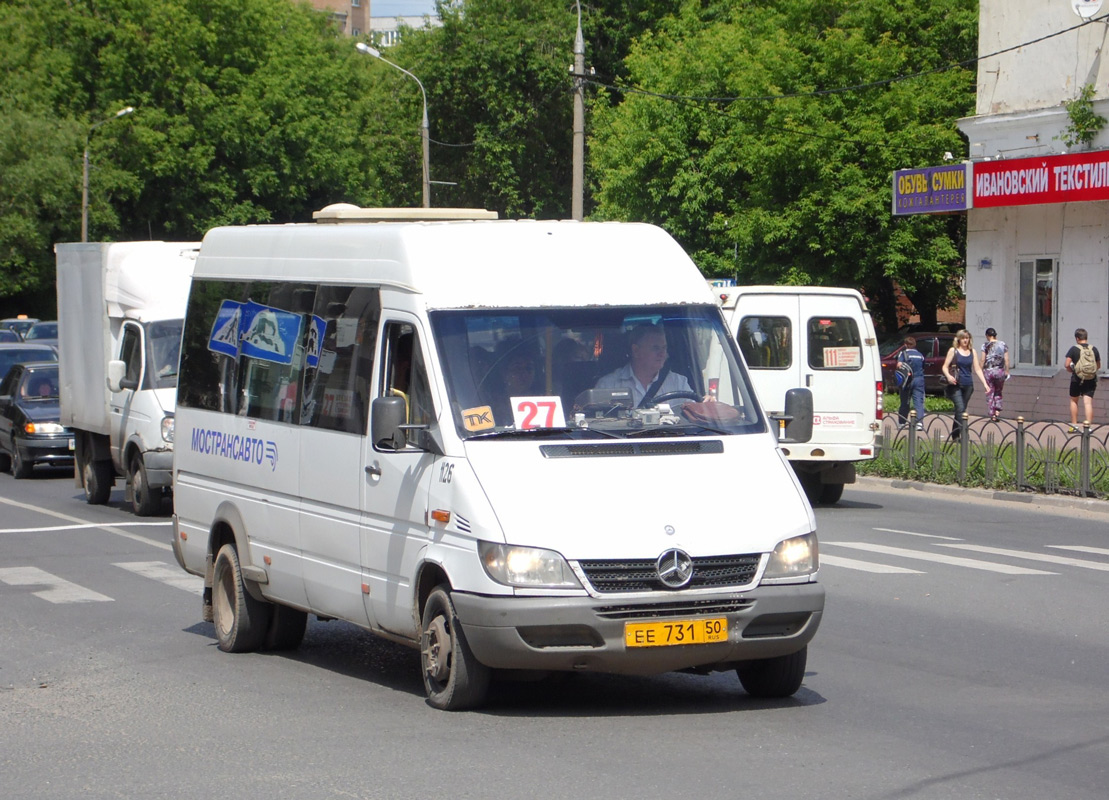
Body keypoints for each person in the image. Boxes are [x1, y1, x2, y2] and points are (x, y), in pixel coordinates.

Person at [595, 323, 694, 407]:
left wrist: (706, 404)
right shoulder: (608, 385)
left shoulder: (678, 383)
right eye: (656, 348)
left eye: (664, 348)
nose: (662, 353)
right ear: (636, 351)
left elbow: (695, 415)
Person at [941, 329, 988, 442]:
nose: (965, 340)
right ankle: (964, 434)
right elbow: (944, 366)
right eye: (963, 338)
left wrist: (985, 384)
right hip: (955, 384)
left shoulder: (973, 352)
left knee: (960, 410)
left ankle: (955, 435)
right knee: (961, 408)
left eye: (967, 338)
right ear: (958, 339)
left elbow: (977, 369)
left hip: (968, 385)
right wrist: (948, 376)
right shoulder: (954, 351)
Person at [1064, 327, 1101, 431]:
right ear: (1086, 337)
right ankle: (1088, 427)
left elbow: (1067, 364)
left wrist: (1073, 370)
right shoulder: (1094, 349)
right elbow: (1098, 365)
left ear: (1077, 338)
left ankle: (1074, 426)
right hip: (1091, 379)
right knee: (1088, 403)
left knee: (1074, 401)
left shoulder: (1074, 349)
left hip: (1077, 379)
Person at [981, 327, 1010, 421]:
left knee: (990, 392)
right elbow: (1006, 359)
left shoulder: (985, 345)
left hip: (988, 371)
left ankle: (992, 414)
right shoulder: (1003, 344)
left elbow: (982, 359)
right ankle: (997, 410)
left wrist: (980, 369)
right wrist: (1007, 371)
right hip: (1000, 371)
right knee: (998, 391)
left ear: (987, 336)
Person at [897, 336, 926, 430]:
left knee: (905, 401)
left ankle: (902, 423)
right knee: (918, 402)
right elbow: (923, 366)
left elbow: (899, 365)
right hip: (919, 379)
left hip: (907, 380)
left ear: (905, 345)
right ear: (914, 345)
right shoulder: (920, 354)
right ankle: (919, 423)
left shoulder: (903, 353)